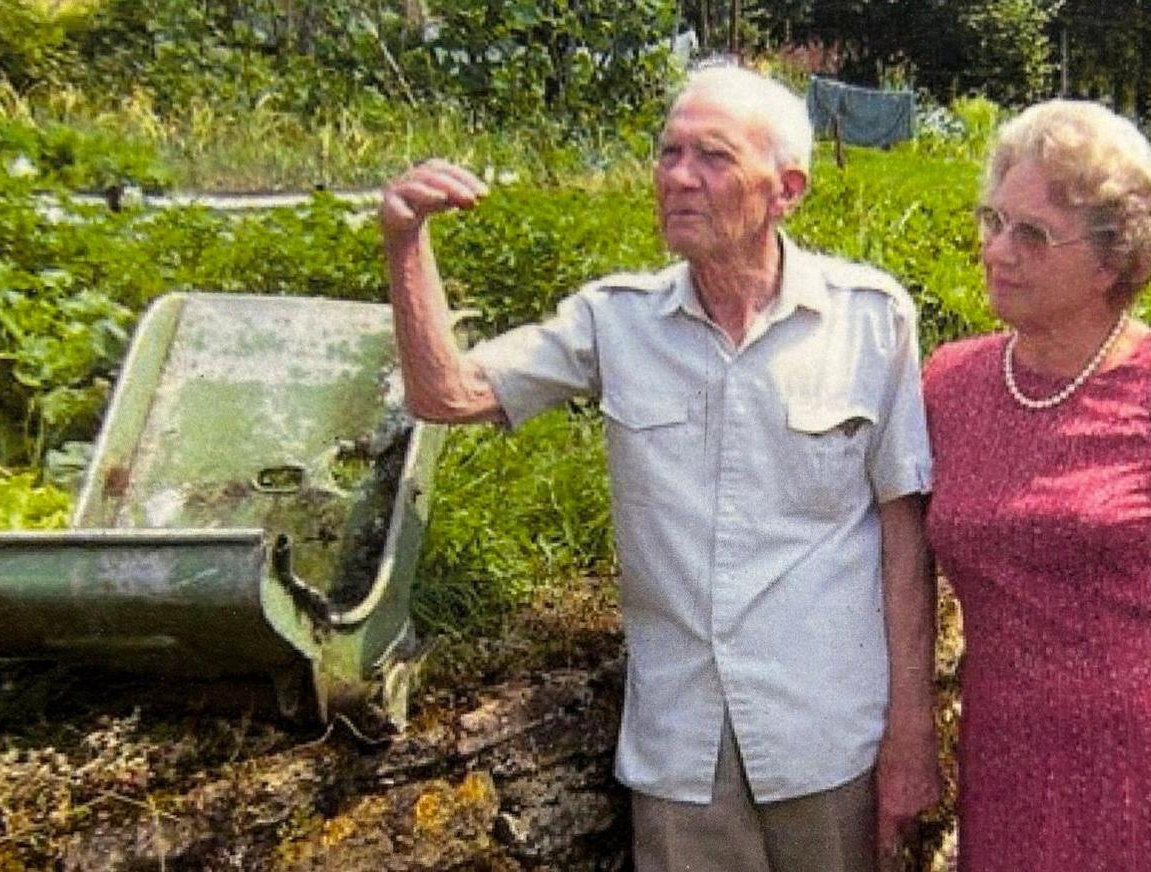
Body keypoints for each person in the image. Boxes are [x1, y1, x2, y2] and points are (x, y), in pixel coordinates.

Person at [379, 65, 939, 871]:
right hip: (683, 748)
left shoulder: (869, 319)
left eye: (711, 156)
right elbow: (446, 395)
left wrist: (911, 736)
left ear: (786, 189)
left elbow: (903, 542)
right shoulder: (616, 321)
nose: (677, 177)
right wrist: (406, 241)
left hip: (829, 739)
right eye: (668, 152)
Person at [922, 99, 1151, 872]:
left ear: (1112, 258)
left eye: (1032, 234)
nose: (996, 251)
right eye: (993, 220)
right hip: (1006, 771)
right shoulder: (949, 383)